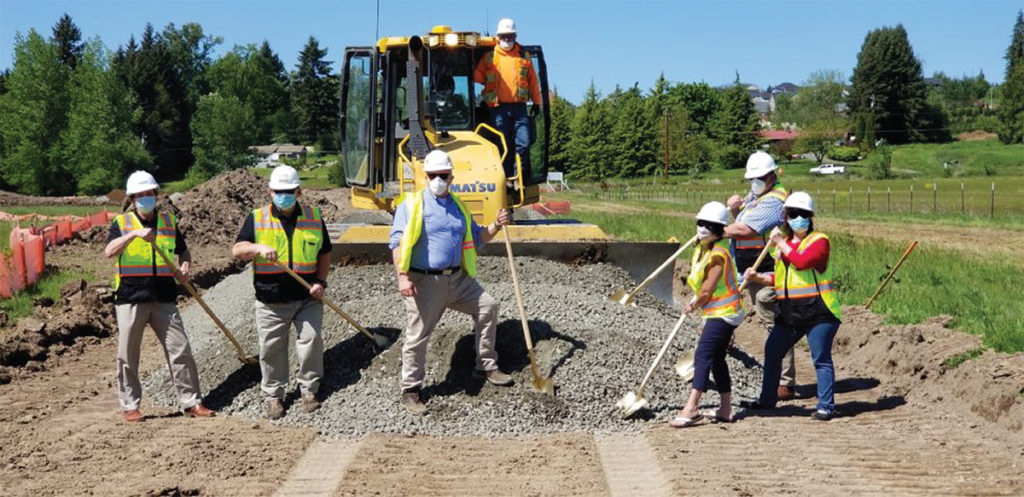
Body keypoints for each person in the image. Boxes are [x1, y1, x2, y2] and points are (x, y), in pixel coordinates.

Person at [388, 150, 512, 415]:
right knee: (418, 335)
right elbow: (396, 243)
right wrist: (402, 276)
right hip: (425, 281)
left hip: (458, 279)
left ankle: (486, 365)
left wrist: (496, 225)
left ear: (451, 176)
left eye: (443, 175)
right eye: (433, 175)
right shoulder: (411, 204)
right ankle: (410, 390)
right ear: (425, 176)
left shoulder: (459, 206)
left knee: (488, 306)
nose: (438, 180)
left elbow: (478, 238)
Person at [104, 171, 214, 422]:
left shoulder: (167, 222)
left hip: (164, 296)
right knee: (128, 354)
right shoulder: (122, 224)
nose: (145, 199)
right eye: (140, 196)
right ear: (132, 199)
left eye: (149, 194)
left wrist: (184, 267)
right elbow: (109, 251)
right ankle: (130, 405)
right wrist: (133, 235)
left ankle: (191, 402)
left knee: (180, 350)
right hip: (131, 297)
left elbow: (184, 253)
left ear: (156, 195)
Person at [232, 165, 332, 420]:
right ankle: (274, 395)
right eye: (279, 191)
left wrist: (321, 281)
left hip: (307, 296)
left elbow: (324, 253)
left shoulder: (313, 216)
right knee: (272, 348)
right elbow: (237, 251)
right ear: (270, 191)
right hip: (271, 300)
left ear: (299, 191)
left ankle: (309, 390)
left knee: (311, 341)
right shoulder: (257, 218)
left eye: (289, 191)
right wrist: (257, 248)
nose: (284, 195)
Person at [740, 192, 842, 421]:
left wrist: (780, 243)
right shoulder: (782, 247)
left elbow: (802, 261)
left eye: (803, 214)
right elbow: (781, 278)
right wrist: (757, 277)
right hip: (790, 312)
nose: (798, 218)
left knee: (821, 358)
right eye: (793, 214)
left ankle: (826, 406)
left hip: (819, 311)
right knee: (773, 350)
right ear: (785, 218)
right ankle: (767, 400)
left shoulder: (819, 241)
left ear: (811, 217)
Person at [724, 150, 795, 400]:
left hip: (766, 270)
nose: (753, 183)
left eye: (759, 177)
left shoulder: (774, 200)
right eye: (751, 179)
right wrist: (734, 210)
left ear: (771, 175)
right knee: (729, 308)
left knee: (772, 322)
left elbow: (747, 229)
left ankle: (784, 382)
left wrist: (717, 229)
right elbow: (743, 221)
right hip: (747, 267)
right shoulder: (756, 195)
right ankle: (724, 346)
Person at [669, 202, 746, 428]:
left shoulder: (718, 255)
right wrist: (699, 301)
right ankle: (725, 408)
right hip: (716, 310)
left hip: (725, 312)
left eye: (709, 226)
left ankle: (692, 408)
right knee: (717, 358)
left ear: (719, 230)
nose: (703, 229)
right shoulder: (702, 248)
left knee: (702, 354)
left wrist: (694, 304)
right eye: (700, 223)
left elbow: (708, 289)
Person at [473, 18, 543, 182]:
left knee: (523, 143)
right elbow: (476, 76)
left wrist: (537, 102)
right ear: (498, 37)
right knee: (502, 144)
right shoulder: (489, 57)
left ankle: (520, 176)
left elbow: (533, 81)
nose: (507, 39)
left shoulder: (524, 57)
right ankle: (504, 177)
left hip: (519, 107)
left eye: (510, 36)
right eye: (504, 36)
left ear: (515, 36)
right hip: (498, 107)